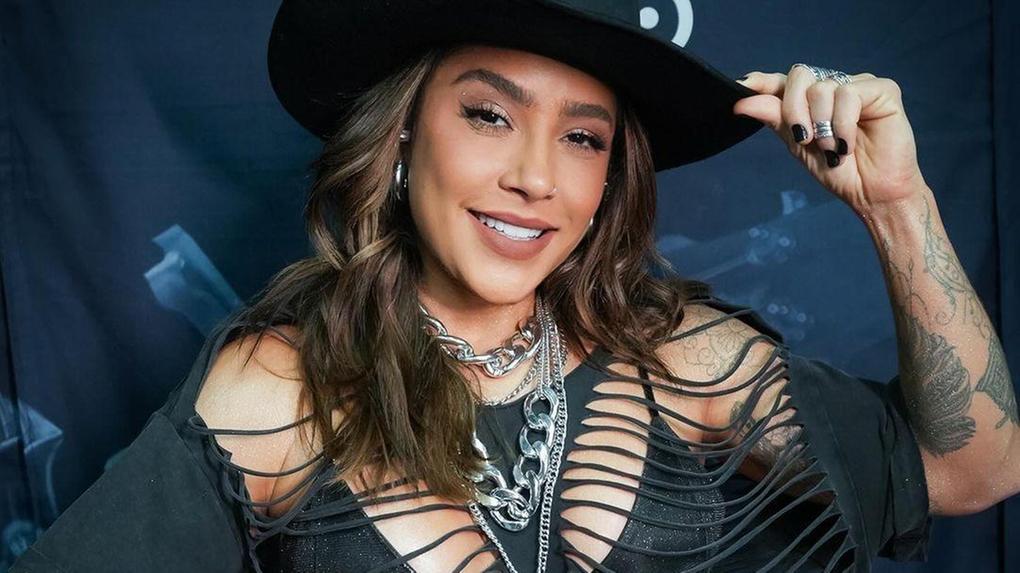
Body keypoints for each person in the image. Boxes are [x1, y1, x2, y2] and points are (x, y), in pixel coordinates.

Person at [12, 1, 1019, 572]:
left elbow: (976, 469)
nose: (537, 177)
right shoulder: (283, 388)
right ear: (402, 138)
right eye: (489, 115)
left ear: (608, 178)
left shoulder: (677, 356)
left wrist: (898, 206)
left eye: (583, 137)